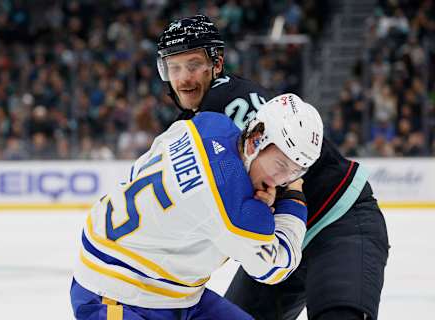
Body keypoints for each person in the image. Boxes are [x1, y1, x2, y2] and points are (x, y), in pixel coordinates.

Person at [157, 15, 389, 320]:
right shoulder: (193, 123)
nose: (184, 78)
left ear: (217, 63)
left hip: (339, 222)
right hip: (281, 239)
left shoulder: (224, 102)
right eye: (174, 67)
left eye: (193, 64)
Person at [70, 95, 324, 319]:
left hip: (172, 292)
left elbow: (139, 169)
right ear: (256, 140)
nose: (282, 181)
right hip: (112, 295)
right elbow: (276, 267)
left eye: (295, 172)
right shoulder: (237, 209)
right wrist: (294, 198)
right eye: (281, 165)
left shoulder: (208, 123)